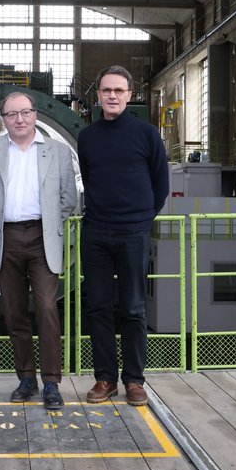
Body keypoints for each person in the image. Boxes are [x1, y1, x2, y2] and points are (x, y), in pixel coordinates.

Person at [0, 90, 79, 410]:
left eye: (25, 112)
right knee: (13, 310)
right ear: (2, 119)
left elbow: (68, 199)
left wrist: (47, 224)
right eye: (11, 114)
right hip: (5, 237)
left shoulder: (58, 152)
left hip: (42, 236)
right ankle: (26, 378)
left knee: (47, 307)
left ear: (35, 114)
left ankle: (51, 382)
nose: (19, 119)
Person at [76, 65, 169, 406]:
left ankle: (134, 380)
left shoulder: (146, 135)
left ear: (130, 95)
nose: (112, 96)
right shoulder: (87, 137)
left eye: (118, 91)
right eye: (106, 91)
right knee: (98, 306)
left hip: (133, 232)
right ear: (98, 96)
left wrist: (141, 219)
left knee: (133, 307)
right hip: (96, 231)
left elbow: (161, 185)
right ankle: (105, 379)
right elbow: (89, 177)